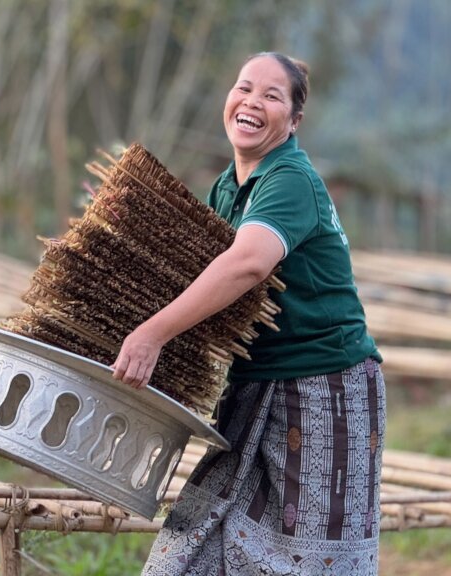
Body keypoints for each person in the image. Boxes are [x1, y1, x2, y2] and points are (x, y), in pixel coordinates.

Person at [112, 52, 386, 576]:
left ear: (294, 121)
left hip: (324, 391)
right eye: (244, 88)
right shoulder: (228, 188)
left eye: (271, 96)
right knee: (187, 549)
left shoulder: (290, 180)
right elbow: (198, 273)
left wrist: (151, 334)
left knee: (310, 562)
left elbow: (247, 264)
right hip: (254, 390)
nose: (252, 102)